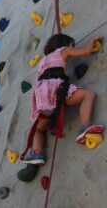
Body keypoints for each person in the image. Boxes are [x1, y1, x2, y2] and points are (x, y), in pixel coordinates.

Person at [23, 33, 104, 165]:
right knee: (88, 95)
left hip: (42, 97)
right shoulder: (64, 50)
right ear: (66, 44)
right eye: (73, 45)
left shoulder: (43, 61)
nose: (73, 48)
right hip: (57, 91)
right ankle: (85, 126)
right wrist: (91, 40)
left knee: (39, 129)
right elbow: (85, 51)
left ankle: (38, 153)